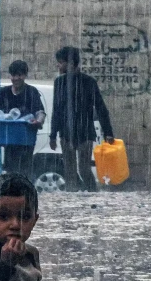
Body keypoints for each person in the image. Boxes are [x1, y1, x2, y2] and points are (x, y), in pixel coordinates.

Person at [49, 46, 115, 192]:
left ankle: (93, 193)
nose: (58, 65)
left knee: (84, 168)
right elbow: (57, 111)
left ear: (70, 64)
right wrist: (53, 135)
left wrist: (108, 132)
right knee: (70, 171)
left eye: (60, 62)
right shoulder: (59, 83)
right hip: (66, 133)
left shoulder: (89, 82)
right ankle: (73, 200)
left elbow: (100, 108)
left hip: (85, 133)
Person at [0, 60, 45, 179]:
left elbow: (40, 112)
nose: (16, 78)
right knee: (9, 169)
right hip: (9, 138)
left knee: (25, 170)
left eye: (19, 75)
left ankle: (25, 193)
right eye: (13, 75)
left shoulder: (31, 92)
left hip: (26, 138)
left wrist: (38, 121)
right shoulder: (4, 92)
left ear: (25, 75)